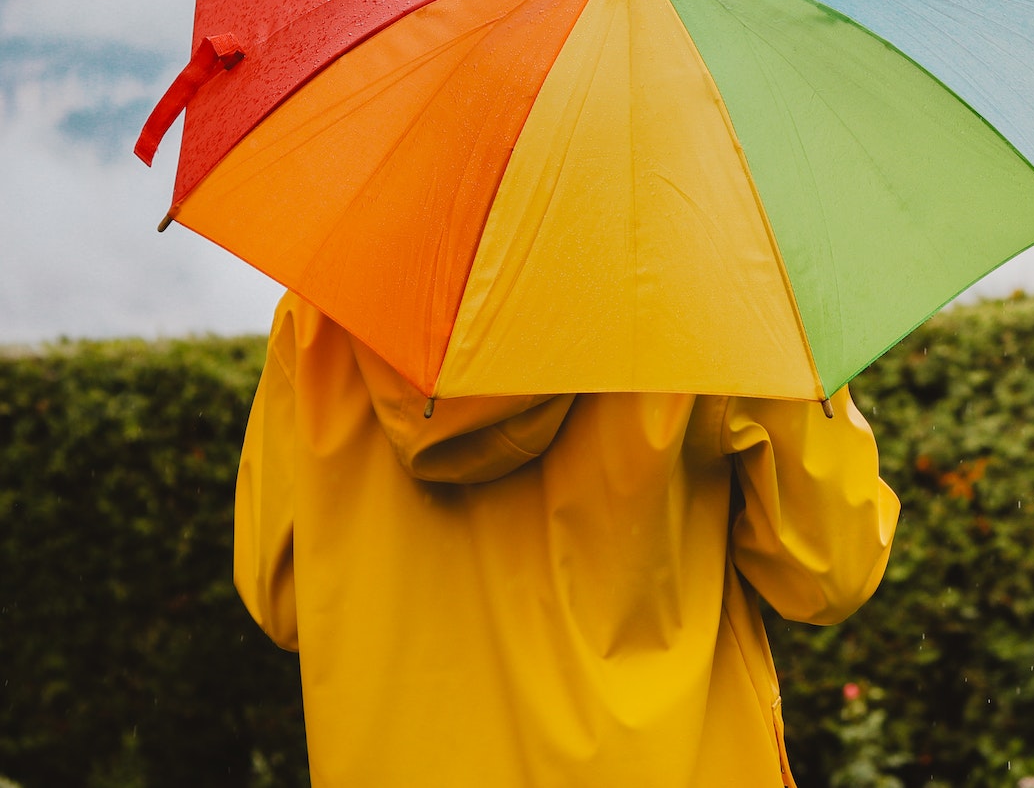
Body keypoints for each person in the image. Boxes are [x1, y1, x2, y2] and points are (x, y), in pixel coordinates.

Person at [234, 290, 900, 787]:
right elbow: (830, 571)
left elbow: (282, 596)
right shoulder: (716, 296)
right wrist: (807, 351)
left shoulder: (321, 311)